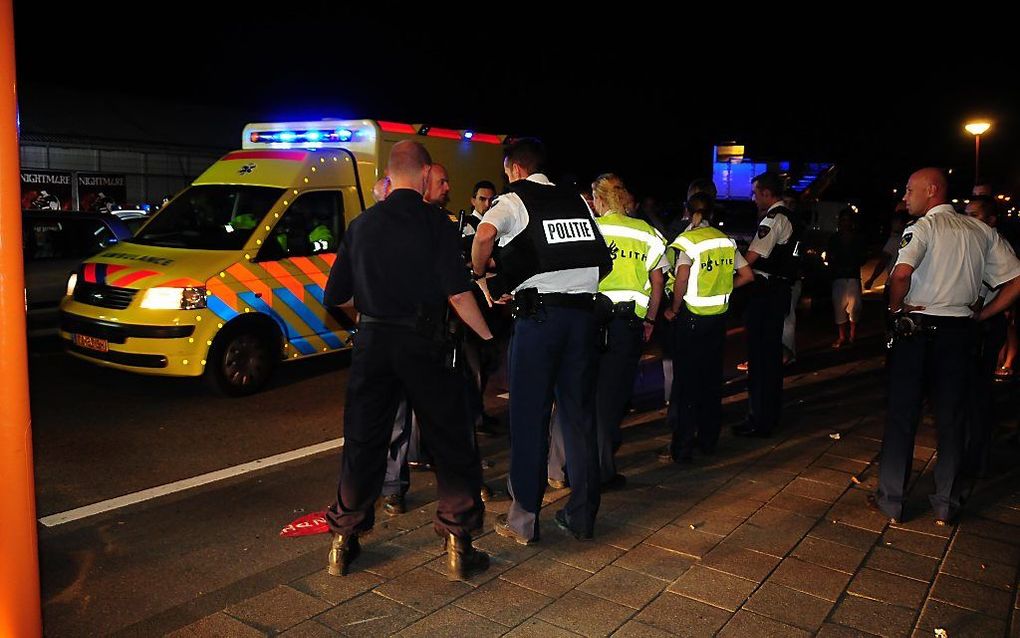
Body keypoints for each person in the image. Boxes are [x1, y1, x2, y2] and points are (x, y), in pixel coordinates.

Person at [322, 140, 495, 580]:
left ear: (389, 174)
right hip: (424, 343)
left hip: (373, 341)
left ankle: (343, 541)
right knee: (449, 438)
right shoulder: (436, 224)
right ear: (422, 176)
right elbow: (458, 294)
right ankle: (458, 544)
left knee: (363, 439)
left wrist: (369, 319)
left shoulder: (361, 225)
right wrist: (487, 334)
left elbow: (335, 296)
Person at [471, 138, 612, 544]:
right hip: (583, 319)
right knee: (578, 419)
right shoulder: (578, 201)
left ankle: (524, 520)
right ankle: (582, 517)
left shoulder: (515, 199)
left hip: (540, 321)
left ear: (513, 169)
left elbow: (484, 235)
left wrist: (481, 275)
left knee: (529, 418)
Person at [870, 168, 1020, 525]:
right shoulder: (982, 231)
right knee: (952, 419)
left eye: (910, 190)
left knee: (903, 416)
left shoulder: (922, 229)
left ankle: (892, 500)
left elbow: (902, 275)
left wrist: (894, 309)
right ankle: (945, 503)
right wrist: (983, 315)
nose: (905, 197)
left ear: (932, 190)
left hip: (917, 331)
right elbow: (1015, 281)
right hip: (960, 334)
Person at [547, 174, 666, 490]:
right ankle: (599, 472)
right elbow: (657, 285)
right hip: (625, 326)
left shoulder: (587, 228)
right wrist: (651, 320)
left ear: (598, 201)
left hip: (586, 321)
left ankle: (558, 468)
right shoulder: (647, 233)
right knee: (608, 400)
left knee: (573, 393)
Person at [660, 192, 754, 462]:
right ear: (712, 213)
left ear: (689, 213)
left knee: (687, 385)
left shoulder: (688, 241)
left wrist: (674, 309)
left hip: (691, 319)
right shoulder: (726, 241)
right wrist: (726, 289)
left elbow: (682, 278)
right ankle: (709, 440)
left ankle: (683, 447)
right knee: (711, 382)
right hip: (718, 320)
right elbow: (747, 276)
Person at [733, 172, 801, 438]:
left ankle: (758, 418)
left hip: (766, 294)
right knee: (770, 359)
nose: (752, 198)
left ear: (765, 192)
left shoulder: (773, 220)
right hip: (779, 292)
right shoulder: (791, 216)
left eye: (754, 192)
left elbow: (750, 259)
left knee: (760, 360)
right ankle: (768, 415)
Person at [826, 209, 865, 348]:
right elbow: (829, 257)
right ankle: (842, 336)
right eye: (843, 220)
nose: (845, 223)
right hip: (838, 277)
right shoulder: (834, 239)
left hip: (853, 277)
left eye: (848, 220)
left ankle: (852, 333)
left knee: (855, 307)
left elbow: (862, 257)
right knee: (839, 307)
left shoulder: (857, 238)